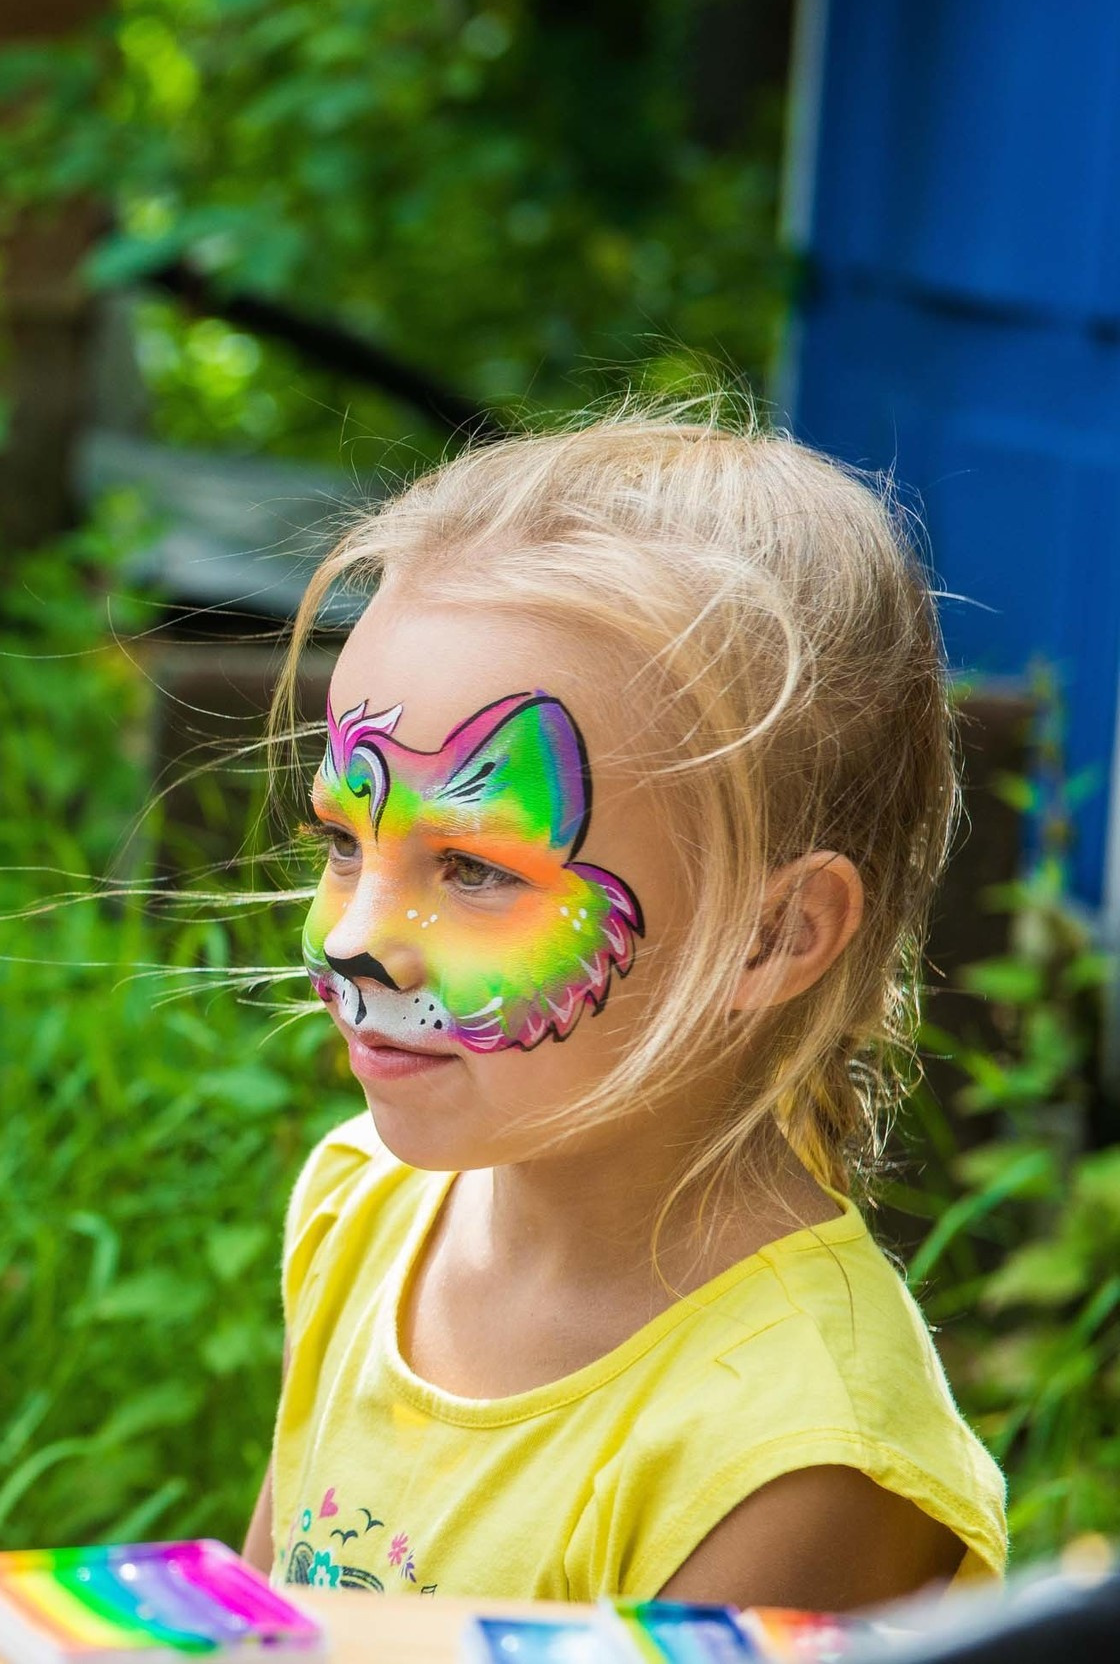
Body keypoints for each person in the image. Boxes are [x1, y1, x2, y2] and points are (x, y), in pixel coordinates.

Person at [245, 410, 1006, 1607]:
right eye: (345, 840)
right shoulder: (364, 1208)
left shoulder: (797, 1451)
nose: (350, 940)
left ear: (774, 934)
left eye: (477, 869)